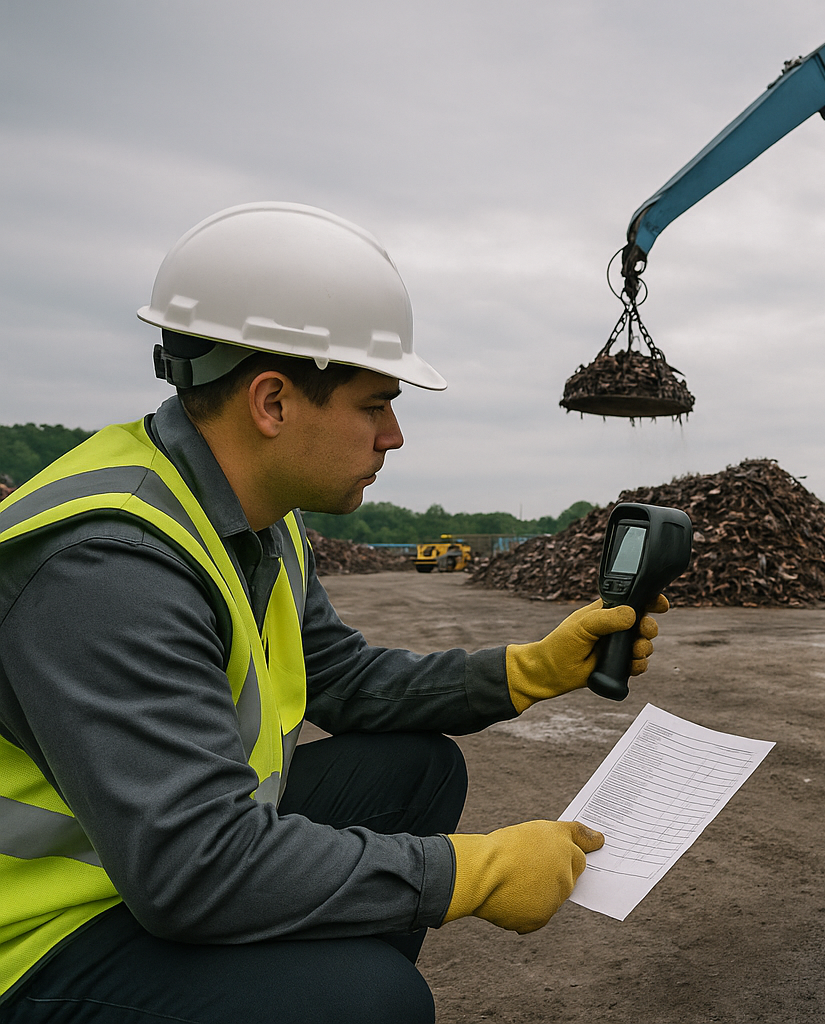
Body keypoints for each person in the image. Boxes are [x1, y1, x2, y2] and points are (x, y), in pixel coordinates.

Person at [0, 202, 664, 1022]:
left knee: (414, 771)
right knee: (369, 1002)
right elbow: (193, 869)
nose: (394, 436)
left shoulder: (260, 521)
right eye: (374, 403)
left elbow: (344, 682)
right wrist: (472, 872)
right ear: (272, 403)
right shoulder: (107, 562)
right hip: (36, 937)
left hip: (132, 868)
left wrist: (529, 670)